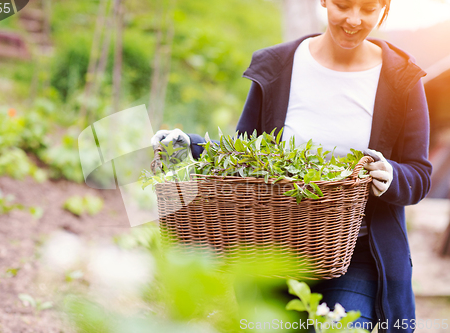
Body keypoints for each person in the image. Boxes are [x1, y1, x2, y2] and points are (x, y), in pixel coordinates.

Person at [151, 0, 432, 332]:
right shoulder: (279, 65)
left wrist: (392, 175)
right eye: (343, 5)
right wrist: (193, 145)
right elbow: (244, 155)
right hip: (274, 246)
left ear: (384, 7)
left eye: (368, 9)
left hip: (358, 252)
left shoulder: (401, 76)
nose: (354, 19)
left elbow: (419, 172)